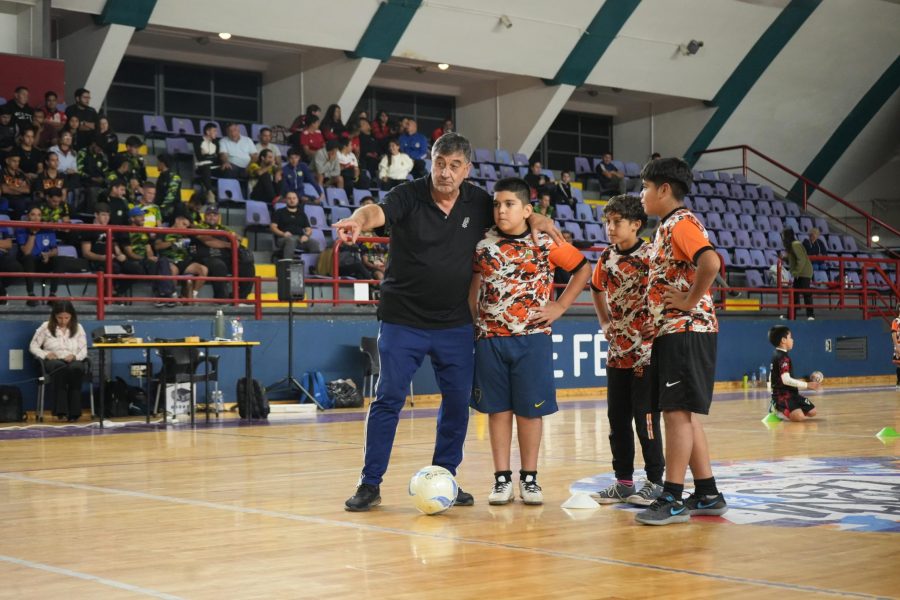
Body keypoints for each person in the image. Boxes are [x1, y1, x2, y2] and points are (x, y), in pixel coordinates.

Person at [333, 132, 561, 512]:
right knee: (389, 398)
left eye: (455, 166)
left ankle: (444, 477)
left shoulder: (479, 202)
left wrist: (536, 215)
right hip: (403, 319)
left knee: (456, 402)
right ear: (431, 162)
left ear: (466, 169)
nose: (445, 172)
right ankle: (370, 483)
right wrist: (358, 220)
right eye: (440, 163)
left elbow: (513, 213)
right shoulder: (409, 195)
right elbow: (376, 212)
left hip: (454, 322)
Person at [470, 177, 589, 506]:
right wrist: (474, 317)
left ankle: (530, 478)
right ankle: (501, 479)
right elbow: (474, 282)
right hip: (491, 338)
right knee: (497, 411)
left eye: (509, 204)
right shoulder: (482, 244)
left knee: (529, 411)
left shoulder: (545, 241)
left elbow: (583, 270)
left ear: (527, 210)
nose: (501, 210)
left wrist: (560, 306)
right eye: (497, 204)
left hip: (533, 338)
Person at [635, 157, 726, 525]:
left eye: (645, 188)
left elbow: (711, 262)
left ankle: (672, 497)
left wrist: (688, 301)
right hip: (673, 330)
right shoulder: (667, 226)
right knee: (682, 413)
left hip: (687, 330)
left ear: (664, 189)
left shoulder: (681, 224)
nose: (641, 195)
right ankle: (707, 492)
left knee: (676, 414)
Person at [589, 195, 664, 506]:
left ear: (636, 224)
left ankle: (655, 482)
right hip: (617, 354)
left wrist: (658, 323)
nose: (610, 228)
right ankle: (623, 482)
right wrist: (604, 321)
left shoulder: (651, 255)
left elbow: (669, 289)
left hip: (646, 354)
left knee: (646, 420)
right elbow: (595, 288)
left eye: (617, 222)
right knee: (617, 420)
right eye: (607, 222)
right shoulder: (606, 257)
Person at [29, 301, 88, 421]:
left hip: (73, 359)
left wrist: (75, 356)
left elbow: (83, 350)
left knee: (76, 369)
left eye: (67, 318)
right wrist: (46, 354)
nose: (63, 321)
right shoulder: (45, 326)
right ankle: (61, 411)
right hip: (53, 360)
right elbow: (33, 346)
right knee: (60, 368)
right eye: (60, 317)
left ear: (72, 316)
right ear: (54, 316)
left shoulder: (78, 327)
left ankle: (75, 412)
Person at [768, 326, 820, 421]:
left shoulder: (777, 354)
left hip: (792, 394)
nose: (792, 340)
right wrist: (807, 385)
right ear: (783, 340)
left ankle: (790, 409)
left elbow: (772, 375)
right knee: (799, 417)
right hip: (782, 396)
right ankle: (776, 410)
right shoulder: (782, 357)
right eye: (790, 337)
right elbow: (786, 380)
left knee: (813, 411)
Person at [155, 208, 208, 300]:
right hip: (171, 261)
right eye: (184, 224)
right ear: (177, 220)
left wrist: (192, 249)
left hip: (185, 262)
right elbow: (157, 246)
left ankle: (194, 295)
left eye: (187, 226)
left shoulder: (186, 234)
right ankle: (173, 297)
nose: (185, 228)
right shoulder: (164, 231)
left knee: (203, 269)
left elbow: (193, 248)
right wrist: (173, 243)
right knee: (171, 272)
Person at [16, 204, 59, 305]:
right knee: (29, 258)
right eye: (33, 215)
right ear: (28, 217)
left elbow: (55, 250)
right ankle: (31, 295)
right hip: (28, 264)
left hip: (43, 260)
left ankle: (52, 295)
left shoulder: (48, 229)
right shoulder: (21, 230)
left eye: (39, 215)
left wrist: (48, 254)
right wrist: (33, 233)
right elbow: (27, 252)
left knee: (58, 260)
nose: (36, 218)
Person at [270, 191, 321, 259]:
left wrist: (306, 236)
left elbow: (309, 229)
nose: (292, 200)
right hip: (283, 238)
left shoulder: (302, 214)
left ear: (297, 200)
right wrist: (283, 234)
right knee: (290, 240)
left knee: (314, 243)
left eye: (294, 198)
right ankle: (287, 263)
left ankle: (313, 264)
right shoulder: (279, 212)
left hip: (299, 239)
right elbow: (273, 227)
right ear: (286, 200)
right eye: (289, 198)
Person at [782, 228, 814, 320]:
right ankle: (790, 316)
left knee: (806, 293)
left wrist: (796, 272)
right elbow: (794, 258)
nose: (782, 238)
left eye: (783, 235)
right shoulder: (792, 245)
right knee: (794, 294)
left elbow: (801, 260)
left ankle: (810, 315)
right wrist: (785, 258)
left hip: (804, 272)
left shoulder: (795, 244)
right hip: (799, 272)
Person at [154, 153, 182, 223]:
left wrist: (160, 210)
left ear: (162, 163)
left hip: (171, 213)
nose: (156, 164)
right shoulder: (161, 177)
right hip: (160, 211)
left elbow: (170, 197)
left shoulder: (174, 177)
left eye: (158, 162)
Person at [892, 309, 900, 390]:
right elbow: (893, 334)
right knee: (899, 364)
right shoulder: (896, 321)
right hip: (899, 344)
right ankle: (899, 381)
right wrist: (896, 346)